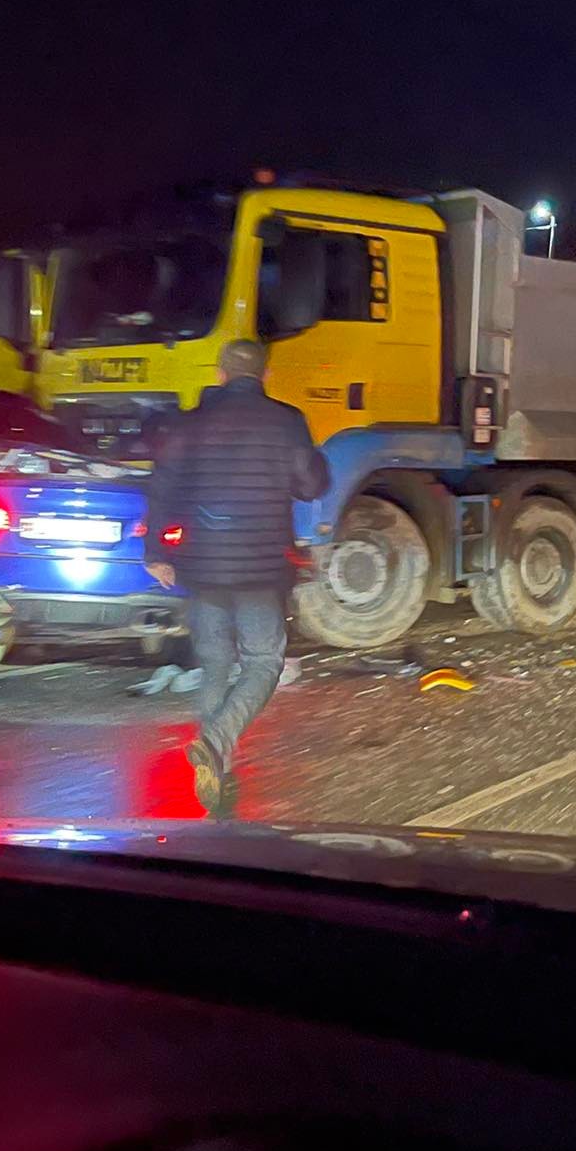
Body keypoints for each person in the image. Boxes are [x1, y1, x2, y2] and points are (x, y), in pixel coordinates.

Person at [145, 338, 328, 816]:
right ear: (264, 376)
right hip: (261, 566)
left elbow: (161, 487)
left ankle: (217, 774)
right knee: (264, 662)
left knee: (216, 665)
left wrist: (154, 554)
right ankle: (216, 742)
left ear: (220, 373)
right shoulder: (286, 421)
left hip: (202, 565)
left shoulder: (190, 422)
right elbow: (312, 486)